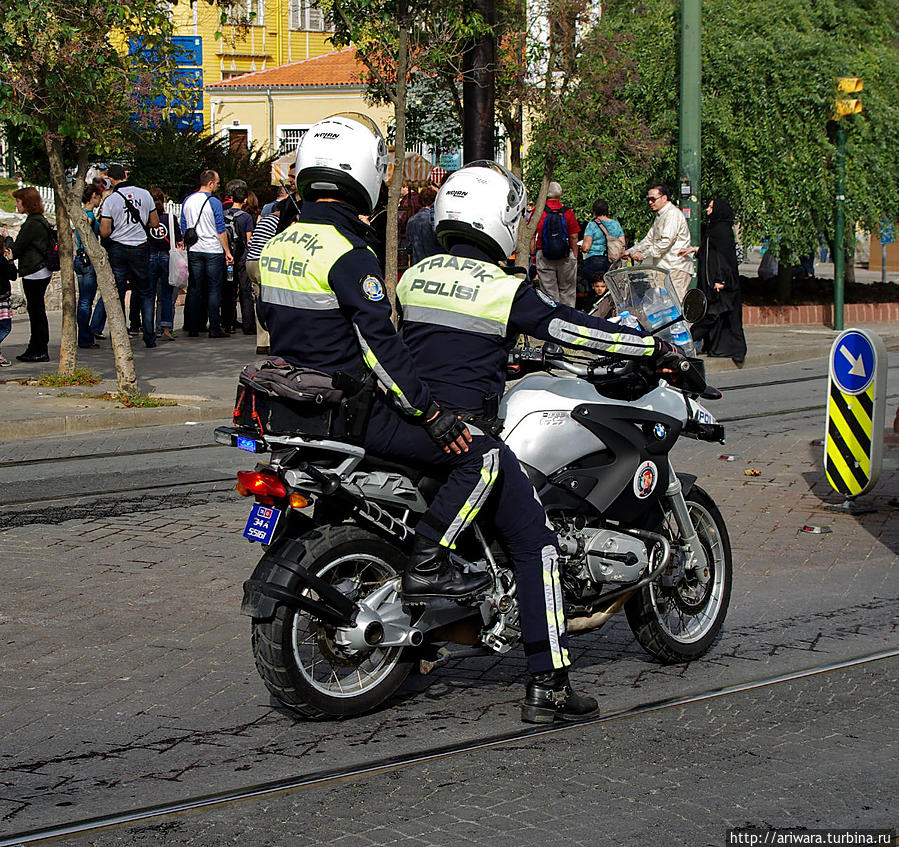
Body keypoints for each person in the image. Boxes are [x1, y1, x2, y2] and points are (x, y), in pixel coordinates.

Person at [396, 161, 676, 722]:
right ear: (495, 219)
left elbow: (440, 346)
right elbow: (574, 327)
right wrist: (647, 348)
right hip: (464, 434)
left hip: (410, 423)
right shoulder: (503, 288)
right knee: (537, 543)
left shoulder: (414, 277)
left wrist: (508, 355)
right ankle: (548, 687)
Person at [258, 111, 492, 605]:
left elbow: (269, 317)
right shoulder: (349, 253)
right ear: (363, 176)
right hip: (353, 412)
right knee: (478, 453)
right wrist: (429, 413)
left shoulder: (278, 245)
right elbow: (379, 348)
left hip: (297, 405)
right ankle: (431, 563)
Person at [679, 197, 747, 367]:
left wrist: (721, 280)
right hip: (714, 283)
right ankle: (717, 348)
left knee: (714, 315)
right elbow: (712, 250)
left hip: (721, 284)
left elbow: (725, 258)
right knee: (717, 315)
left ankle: (690, 343)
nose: (708, 210)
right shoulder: (716, 229)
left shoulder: (722, 231)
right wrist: (695, 250)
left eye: (710, 207)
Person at [98, 164, 159, 348]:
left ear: (110, 179)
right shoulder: (145, 194)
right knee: (146, 293)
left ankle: (120, 334)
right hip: (140, 247)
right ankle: (149, 336)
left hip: (118, 249)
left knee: (117, 292)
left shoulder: (111, 200)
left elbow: (105, 231)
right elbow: (154, 222)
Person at [180, 170, 233, 338]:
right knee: (213, 289)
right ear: (210, 183)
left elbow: (183, 224)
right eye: (217, 183)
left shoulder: (188, 200)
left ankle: (194, 325)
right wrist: (227, 251)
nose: (218, 186)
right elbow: (220, 229)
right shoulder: (214, 202)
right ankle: (214, 326)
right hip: (213, 249)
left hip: (194, 249)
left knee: (195, 288)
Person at [5, 187, 53, 362]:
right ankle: (35, 347)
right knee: (37, 311)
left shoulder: (32, 224)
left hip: (35, 271)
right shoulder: (40, 220)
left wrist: (7, 239)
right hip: (41, 270)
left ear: (26, 203)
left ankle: (39, 349)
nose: (16, 205)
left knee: (36, 312)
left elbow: (16, 250)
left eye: (18, 201)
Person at [626, 183, 694, 301]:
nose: (650, 202)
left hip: (676, 267)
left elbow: (666, 242)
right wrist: (631, 251)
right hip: (664, 268)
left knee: (676, 304)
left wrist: (643, 255)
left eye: (653, 199)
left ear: (664, 198)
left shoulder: (672, 214)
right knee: (663, 306)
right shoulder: (661, 215)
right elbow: (649, 239)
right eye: (649, 199)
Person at [529, 181, 580, 308]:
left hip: (544, 254)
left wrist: (533, 254)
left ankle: (553, 317)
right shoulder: (567, 212)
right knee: (567, 291)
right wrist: (574, 255)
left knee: (548, 291)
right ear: (560, 194)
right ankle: (568, 319)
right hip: (565, 255)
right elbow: (574, 236)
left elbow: (531, 235)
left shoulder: (538, 211)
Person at [244, 205, 280, 355]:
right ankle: (272, 340)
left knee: (259, 300)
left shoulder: (264, 220)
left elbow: (251, 243)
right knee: (271, 301)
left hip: (250, 261)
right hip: (264, 262)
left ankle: (262, 342)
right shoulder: (279, 223)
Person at [147, 188, 181, 342]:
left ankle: (150, 328)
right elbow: (178, 240)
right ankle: (166, 327)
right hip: (167, 257)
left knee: (149, 295)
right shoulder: (171, 219)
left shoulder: (146, 219)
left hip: (150, 257)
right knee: (167, 295)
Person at [223, 180, 255, 335]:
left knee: (228, 291)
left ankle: (228, 323)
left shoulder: (224, 214)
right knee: (245, 291)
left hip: (228, 257)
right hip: (242, 257)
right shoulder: (246, 217)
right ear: (245, 200)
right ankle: (249, 325)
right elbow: (249, 240)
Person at [74, 184, 103, 348]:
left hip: (79, 258)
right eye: (99, 196)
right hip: (87, 260)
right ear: (93, 196)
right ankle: (85, 337)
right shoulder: (89, 215)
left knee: (83, 301)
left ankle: (84, 334)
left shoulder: (80, 214)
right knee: (86, 301)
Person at [581, 199, 625, 283]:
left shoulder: (592, 225)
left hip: (594, 261)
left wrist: (581, 248)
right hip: (612, 261)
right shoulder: (616, 224)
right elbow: (622, 244)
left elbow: (586, 247)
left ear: (594, 211)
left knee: (594, 288)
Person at [404, 186, 442, 264]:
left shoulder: (411, 220)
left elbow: (409, 247)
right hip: (434, 262)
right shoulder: (434, 219)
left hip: (417, 263)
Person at [0, 248, 14, 367]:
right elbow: (13, 275)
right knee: (5, 327)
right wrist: (10, 260)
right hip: (1, 299)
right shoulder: (2, 261)